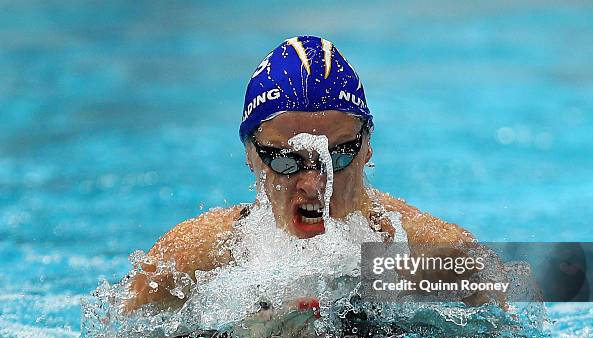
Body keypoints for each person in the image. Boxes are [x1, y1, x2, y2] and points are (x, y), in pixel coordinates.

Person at [124, 35, 494, 315]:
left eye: (338, 155)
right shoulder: (188, 263)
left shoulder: (440, 257)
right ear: (251, 155)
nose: (316, 184)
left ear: (367, 148)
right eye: (286, 160)